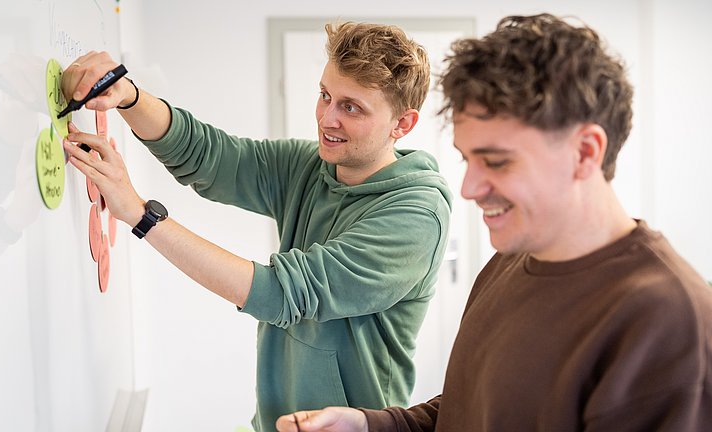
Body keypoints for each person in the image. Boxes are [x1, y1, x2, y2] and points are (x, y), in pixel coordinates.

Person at [275, 13, 712, 432]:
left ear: (584, 152)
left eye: (497, 162)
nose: (468, 188)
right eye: (468, 159)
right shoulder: (511, 260)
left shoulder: (669, 322)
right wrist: (377, 425)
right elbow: (478, 409)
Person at [60, 22, 453, 431]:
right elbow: (210, 157)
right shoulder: (311, 167)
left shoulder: (416, 216)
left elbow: (282, 294)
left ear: (402, 124)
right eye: (325, 96)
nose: (327, 119)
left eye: (351, 107)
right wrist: (129, 96)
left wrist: (141, 215)